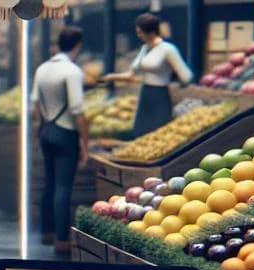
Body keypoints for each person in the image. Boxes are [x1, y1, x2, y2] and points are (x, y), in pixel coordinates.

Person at [32, 26, 89, 256]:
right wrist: (85, 142)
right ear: (78, 45)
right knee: (63, 187)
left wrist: (39, 129)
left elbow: (35, 104)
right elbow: (77, 110)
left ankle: (46, 231)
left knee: (49, 182)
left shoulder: (42, 68)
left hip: (47, 129)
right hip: (66, 132)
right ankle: (62, 238)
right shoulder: (72, 71)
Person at [103, 13, 193, 137]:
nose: (138, 35)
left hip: (160, 95)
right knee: (141, 131)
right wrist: (111, 77)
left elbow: (186, 76)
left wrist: (175, 80)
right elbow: (131, 74)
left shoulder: (168, 49)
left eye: (141, 32)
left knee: (158, 132)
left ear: (151, 32)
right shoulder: (144, 48)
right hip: (145, 93)